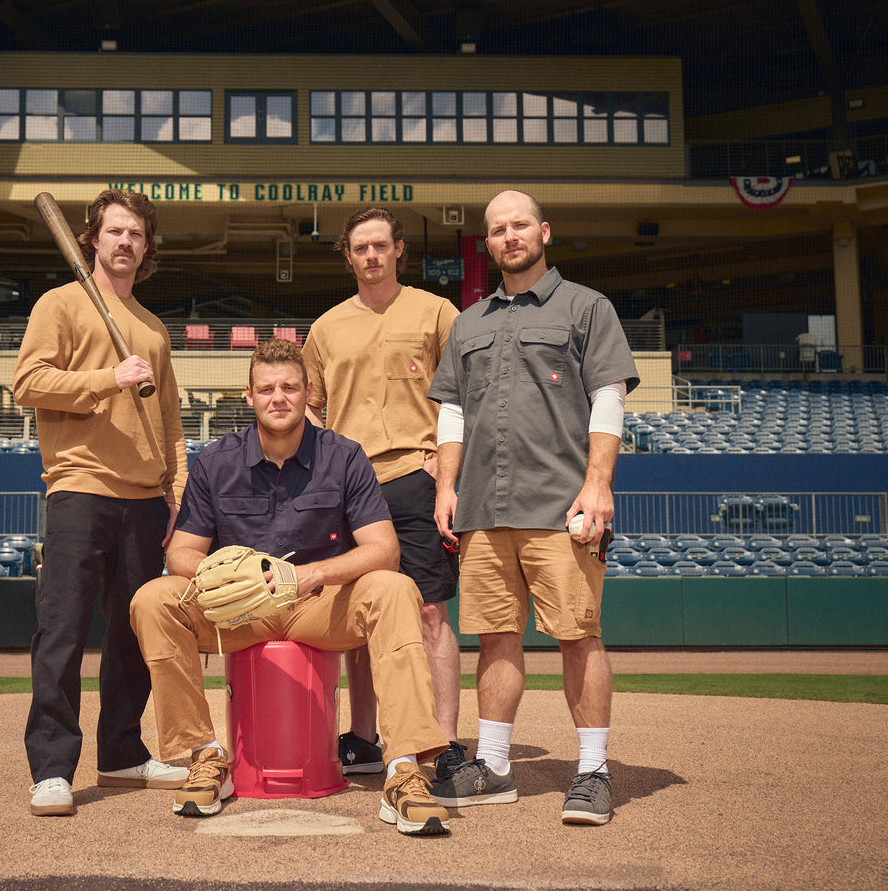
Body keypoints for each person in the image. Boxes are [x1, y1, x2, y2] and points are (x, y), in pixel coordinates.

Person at [129, 338, 452, 836]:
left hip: (319, 606)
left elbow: (384, 549)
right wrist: (226, 574)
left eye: (290, 388)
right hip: (242, 608)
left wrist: (312, 574)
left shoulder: (344, 456)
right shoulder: (216, 461)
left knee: (393, 587)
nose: (278, 398)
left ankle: (403, 768)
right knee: (153, 598)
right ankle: (206, 756)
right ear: (249, 395)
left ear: (307, 394)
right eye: (267, 389)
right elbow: (180, 554)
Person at [426, 189, 639, 825]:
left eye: (520, 225)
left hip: (560, 506)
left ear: (544, 232)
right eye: (498, 229)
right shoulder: (468, 323)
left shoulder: (586, 307)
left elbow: (608, 398)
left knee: (579, 637)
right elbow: (452, 410)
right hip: (485, 511)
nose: (510, 236)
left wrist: (598, 483)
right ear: (487, 244)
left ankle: (593, 773)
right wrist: (444, 486)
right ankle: (493, 767)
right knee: (494, 641)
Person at [13, 189, 189, 816]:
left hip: (145, 500)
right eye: (114, 231)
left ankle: (121, 752)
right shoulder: (59, 304)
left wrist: (176, 493)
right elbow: (27, 383)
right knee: (61, 632)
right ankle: (52, 768)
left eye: (136, 234)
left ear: (147, 246)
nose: (125, 243)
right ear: (92, 238)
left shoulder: (153, 329)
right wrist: (104, 380)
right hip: (79, 488)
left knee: (132, 636)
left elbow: (169, 424)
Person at [301, 207, 466, 780]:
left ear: (399, 249)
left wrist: (442, 468)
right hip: (349, 486)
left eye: (380, 246)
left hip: (412, 478)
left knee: (428, 612)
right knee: (360, 615)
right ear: (347, 256)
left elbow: (463, 398)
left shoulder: (437, 311)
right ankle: (366, 737)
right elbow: (310, 408)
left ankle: (444, 742)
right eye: (360, 248)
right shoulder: (324, 329)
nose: (370, 256)